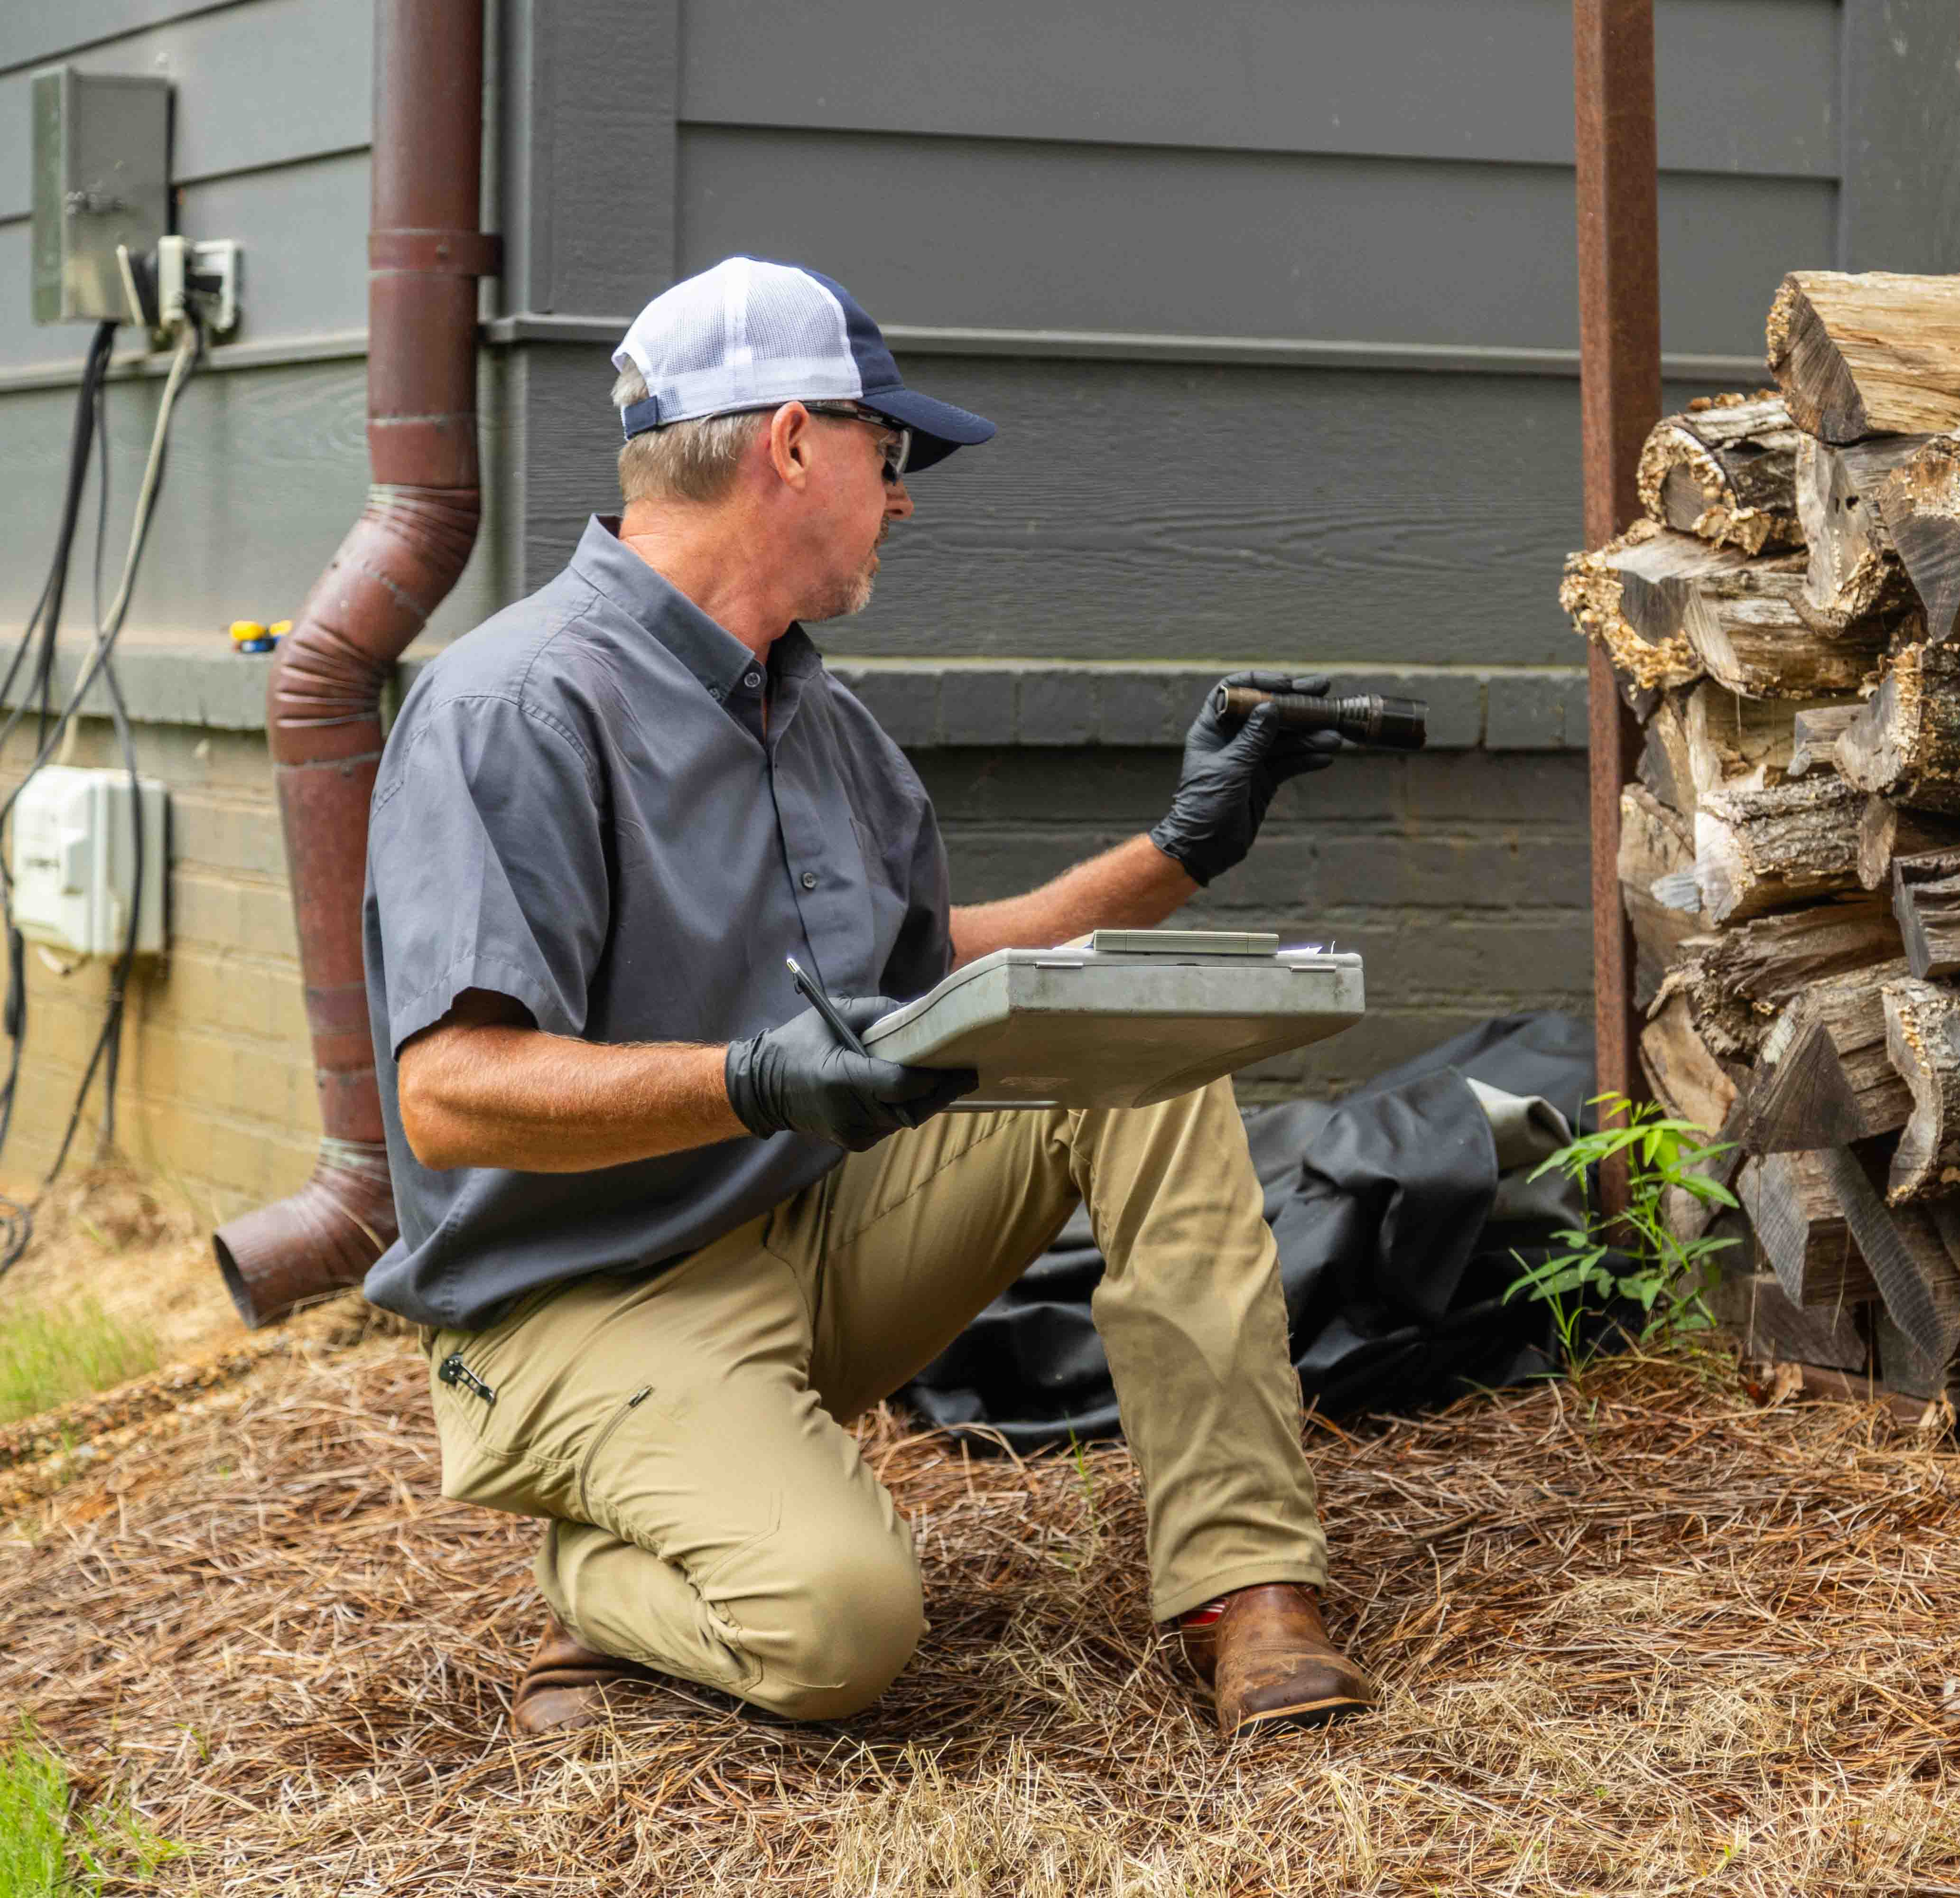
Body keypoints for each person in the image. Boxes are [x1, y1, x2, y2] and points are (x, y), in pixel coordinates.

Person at [362, 256, 1379, 1741]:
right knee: (841, 1634)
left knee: (1142, 1047)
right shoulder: (515, 706)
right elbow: (448, 1095)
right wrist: (749, 1082)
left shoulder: (810, 710)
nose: (903, 495)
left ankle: (1251, 1590)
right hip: (576, 1300)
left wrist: (1183, 853)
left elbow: (941, 970)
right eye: (885, 452)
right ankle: (604, 1578)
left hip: (798, 1223)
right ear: (788, 444)